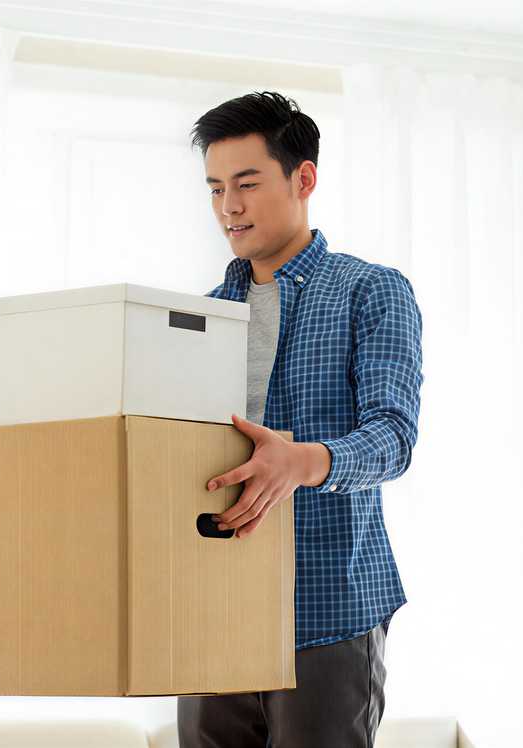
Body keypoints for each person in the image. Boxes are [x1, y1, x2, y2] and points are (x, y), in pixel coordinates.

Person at [179, 90, 424, 748]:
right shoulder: (199, 316)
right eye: (215, 188)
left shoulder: (371, 291)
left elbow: (393, 438)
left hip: (328, 606)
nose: (229, 206)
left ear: (303, 178)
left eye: (248, 183)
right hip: (212, 605)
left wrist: (303, 463)